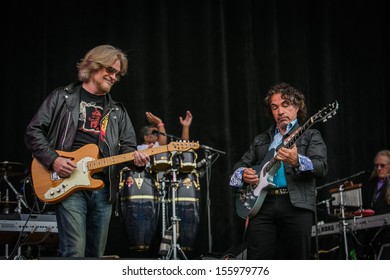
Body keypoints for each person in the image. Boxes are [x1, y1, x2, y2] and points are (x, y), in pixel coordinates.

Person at [24, 45, 150, 258]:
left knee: (96, 256)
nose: (114, 77)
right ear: (93, 65)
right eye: (110, 70)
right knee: (74, 251)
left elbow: (128, 148)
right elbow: (33, 131)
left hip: (103, 188)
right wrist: (53, 160)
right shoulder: (62, 98)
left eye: (118, 74)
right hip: (68, 182)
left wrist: (137, 160)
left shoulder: (117, 111)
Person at [229, 82, 328, 260]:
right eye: (274, 107)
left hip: (296, 205)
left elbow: (321, 167)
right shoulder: (261, 139)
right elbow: (238, 166)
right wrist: (244, 173)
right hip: (262, 206)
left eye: (285, 105)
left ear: (297, 107)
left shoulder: (311, 135)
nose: (280, 111)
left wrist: (297, 160)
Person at [358, 150, 390, 259]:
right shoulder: (370, 184)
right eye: (377, 165)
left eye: (383, 165)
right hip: (371, 237)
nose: (379, 168)